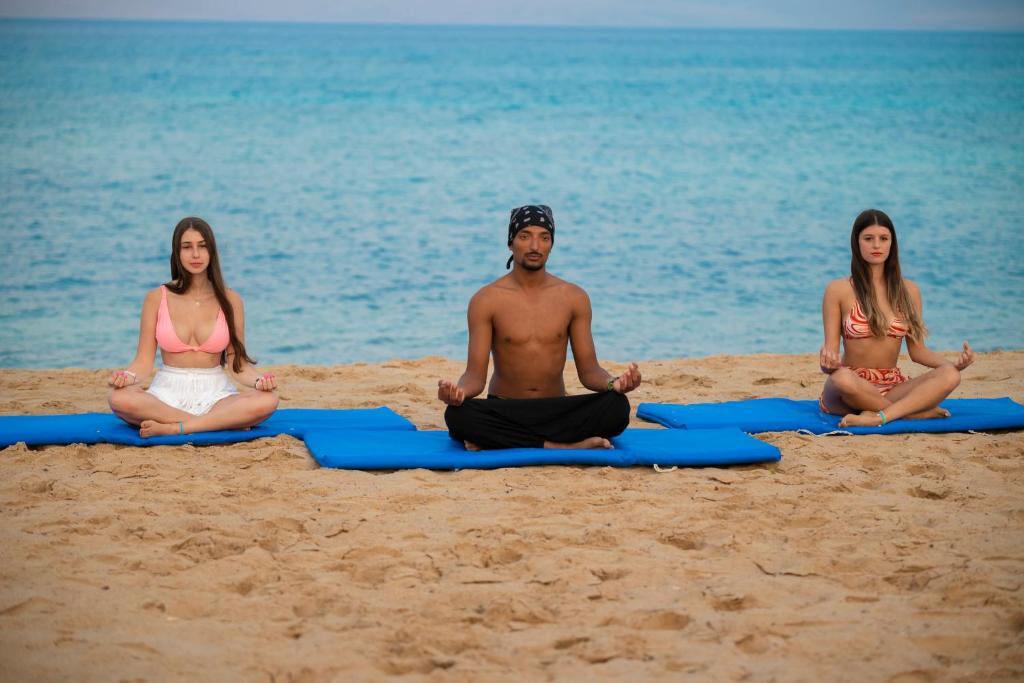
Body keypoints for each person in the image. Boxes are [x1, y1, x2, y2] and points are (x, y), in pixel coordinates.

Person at [439, 205, 641, 450]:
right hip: (505, 407)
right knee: (457, 415)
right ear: (511, 243)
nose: (535, 246)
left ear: (551, 244)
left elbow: (589, 371)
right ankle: (561, 446)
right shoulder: (486, 300)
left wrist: (614, 383)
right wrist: (458, 392)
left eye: (544, 237)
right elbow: (475, 376)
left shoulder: (573, 297)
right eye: (525, 236)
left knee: (617, 406)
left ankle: (507, 441)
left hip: (556, 409)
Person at [108, 217, 279, 437]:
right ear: (177, 252)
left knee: (268, 400)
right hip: (166, 395)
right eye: (187, 247)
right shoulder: (156, 298)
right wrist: (128, 377)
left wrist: (259, 381)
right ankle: (217, 423)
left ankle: (175, 427)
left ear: (212, 251)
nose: (195, 254)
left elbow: (238, 364)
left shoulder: (231, 300)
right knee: (119, 397)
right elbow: (143, 362)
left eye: (202, 246)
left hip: (216, 395)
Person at [818, 209, 974, 428]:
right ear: (856, 243)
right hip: (851, 387)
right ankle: (911, 414)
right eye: (868, 238)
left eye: (884, 238)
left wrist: (953, 365)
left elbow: (917, 351)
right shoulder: (838, 290)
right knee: (840, 378)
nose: (876, 245)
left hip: (892, 386)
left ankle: (878, 416)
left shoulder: (910, 291)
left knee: (950, 375)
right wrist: (828, 364)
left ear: (892, 243)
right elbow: (831, 356)